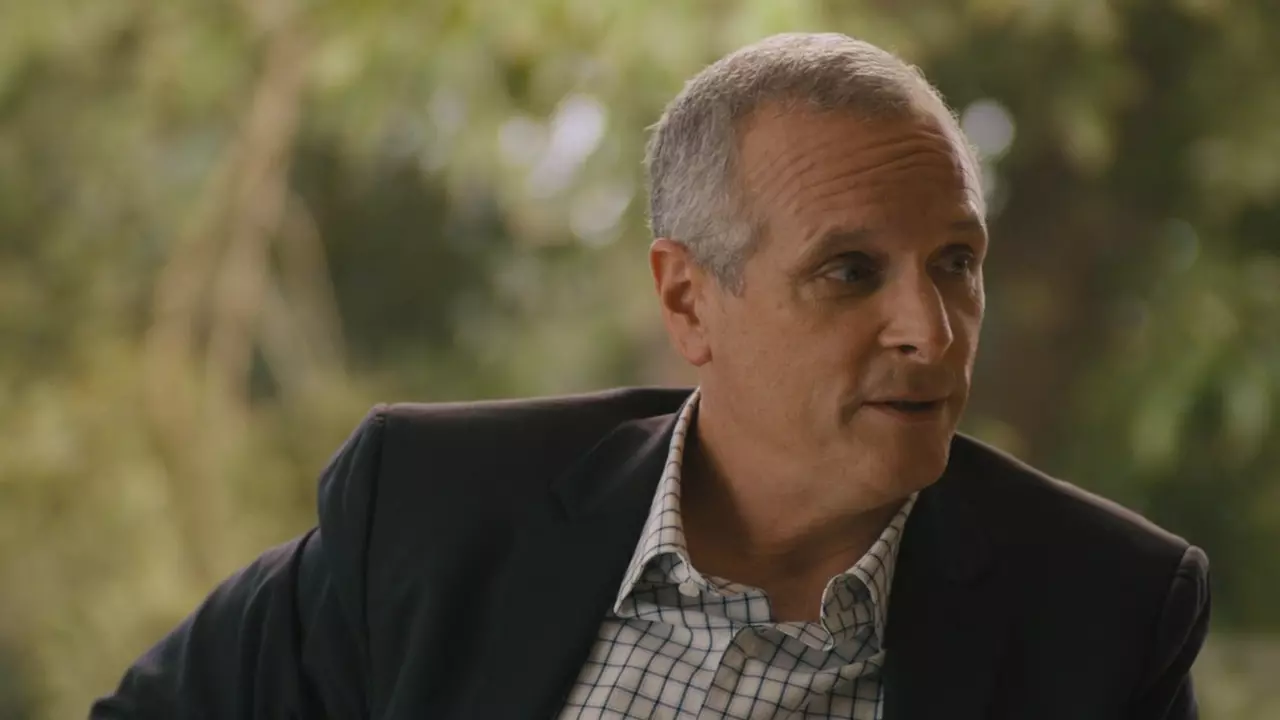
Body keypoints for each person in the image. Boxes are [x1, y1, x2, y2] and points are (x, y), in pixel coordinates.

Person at [91, 33, 1210, 720]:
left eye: (955, 263)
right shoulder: (433, 505)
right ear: (687, 302)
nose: (931, 328)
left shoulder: (1104, 613)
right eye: (849, 271)